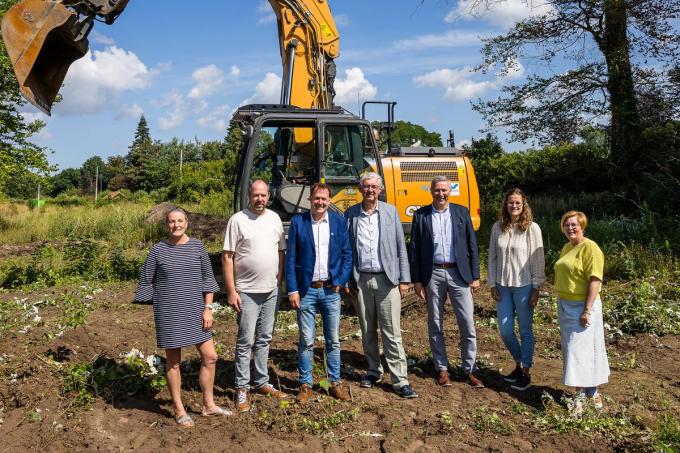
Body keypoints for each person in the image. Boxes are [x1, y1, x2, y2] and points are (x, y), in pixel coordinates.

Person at [136, 207, 230, 427]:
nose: (176, 225)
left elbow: (208, 280)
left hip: (196, 310)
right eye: (171, 221)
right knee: (174, 362)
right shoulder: (158, 250)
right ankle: (179, 410)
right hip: (169, 312)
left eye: (180, 221)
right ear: (166, 225)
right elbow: (146, 279)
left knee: (210, 356)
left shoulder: (198, 247)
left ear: (187, 223)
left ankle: (208, 405)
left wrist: (208, 308)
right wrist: (157, 301)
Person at [344, 172, 417, 399]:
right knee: (367, 330)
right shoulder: (351, 214)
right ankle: (374, 371)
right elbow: (347, 250)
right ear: (360, 189)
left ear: (380, 189)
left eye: (373, 187)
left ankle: (400, 380)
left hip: (387, 279)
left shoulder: (390, 212)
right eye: (366, 186)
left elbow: (400, 246)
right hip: (361, 280)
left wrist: (404, 279)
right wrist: (347, 279)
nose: (370, 190)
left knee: (391, 331)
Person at [409, 176, 484, 388]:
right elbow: (414, 249)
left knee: (467, 323)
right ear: (431, 191)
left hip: (459, 274)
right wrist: (417, 280)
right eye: (437, 190)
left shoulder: (461, 212)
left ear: (449, 191)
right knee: (435, 323)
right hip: (433, 274)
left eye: (444, 190)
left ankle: (470, 369)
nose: (440, 194)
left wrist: (475, 276)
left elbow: (472, 245)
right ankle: (442, 368)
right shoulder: (421, 215)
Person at [222, 180, 288, 413]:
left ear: (268, 196)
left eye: (263, 195)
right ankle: (242, 388)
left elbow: (281, 251)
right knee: (245, 341)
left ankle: (261, 381)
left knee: (265, 338)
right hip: (247, 291)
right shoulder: (237, 220)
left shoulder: (274, 219)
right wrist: (231, 291)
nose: (259, 199)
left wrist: (279, 280)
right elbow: (227, 257)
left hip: (271, 290)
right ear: (249, 196)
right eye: (255, 195)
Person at [285, 183, 353, 402]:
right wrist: (293, 289)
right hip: (307, 291)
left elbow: (347, 254)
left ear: (329, 201)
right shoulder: (299, 222)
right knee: (306, 340)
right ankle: (306, 384)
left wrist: (340, 280)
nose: (320, 202)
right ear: (310, 200)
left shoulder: (338, 221)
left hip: (330, 290)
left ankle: (334, 382)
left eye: (324, 199)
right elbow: (290, 259)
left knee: (333, 340)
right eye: (316, 198)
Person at [487, 188, 545, 391]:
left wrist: (536, 287)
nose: (514, 206)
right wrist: (492, 283)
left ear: (523, 205)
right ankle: (520, 363)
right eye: (511, 202)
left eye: (518, 203)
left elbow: (538, 259)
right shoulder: (497, 227)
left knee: (525, 330)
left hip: (524, 286)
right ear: (506, 204)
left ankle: (525, 372)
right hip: (502, 286)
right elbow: (492, 257)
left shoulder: (532, 228)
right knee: (505, 331)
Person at [554, 210, 610, 411]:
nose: (570, 228)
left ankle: (584, 394)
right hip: (565, 304)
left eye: (574, 225)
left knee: (580, 351)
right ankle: (590, 392)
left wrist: (587, 310)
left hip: (582, 306)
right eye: (566, 224)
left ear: (582, 227)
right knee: (575, 350)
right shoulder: (567, 247)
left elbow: (595, 280)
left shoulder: (590, 248)